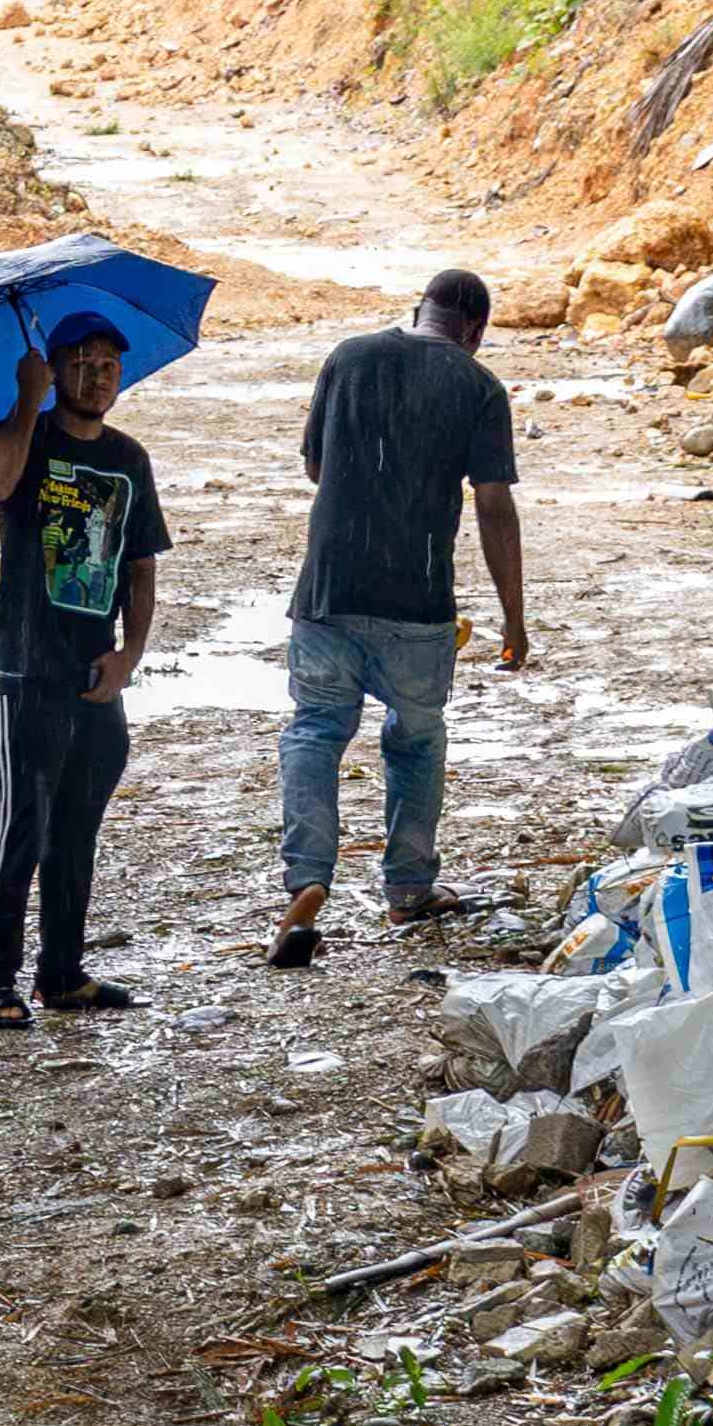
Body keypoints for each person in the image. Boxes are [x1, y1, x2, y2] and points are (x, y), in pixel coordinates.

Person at [269, 265, 528, 967]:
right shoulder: (477, 387)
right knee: (415, 741)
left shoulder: (349, 357)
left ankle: (307, 880)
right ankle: (408, 888)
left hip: (327, 590)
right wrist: (513, 617)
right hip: (417, 602)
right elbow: (493, 505)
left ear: (418, 309)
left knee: (315, 732)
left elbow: (316, 468)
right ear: (475, 329)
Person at [0, 313, 169, 1029]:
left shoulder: (127, 457)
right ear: (56, 371)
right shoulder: (24, 436)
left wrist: (128, 657)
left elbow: (141, 566)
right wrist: (25, 402)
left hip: (94, 672)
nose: (97, 376)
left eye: (108, 364)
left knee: (76, 830)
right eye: (81, 363)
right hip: (24, 670)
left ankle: (63, 974)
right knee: (19, 824)